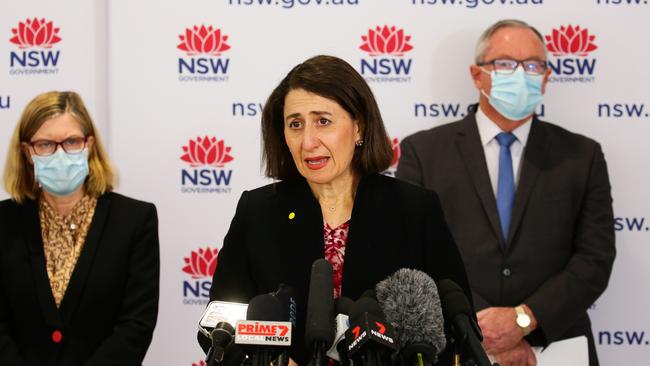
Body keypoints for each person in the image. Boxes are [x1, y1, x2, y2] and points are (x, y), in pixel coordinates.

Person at [204, 55, 472, 365]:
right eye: (295, 124)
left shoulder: (415, 209)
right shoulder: (258, 210)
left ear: (359, 126)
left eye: (323, 121)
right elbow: (220, 326)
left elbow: (457, 329)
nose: (308, 141)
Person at [396, 19, 615, 366]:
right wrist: (486, 329)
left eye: (533, 65)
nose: (521, 75)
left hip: (557, 346)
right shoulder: (424, 152)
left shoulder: (582, 156)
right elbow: (411, 253)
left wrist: (523, 320)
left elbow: (595, 258)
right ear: (476, 74)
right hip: (456, 344)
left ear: (545, 77)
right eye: (505, 64)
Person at [0, 91, 160, 365]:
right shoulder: (4, 222)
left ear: (89, 145)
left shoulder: (135, 219)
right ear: (27, 152)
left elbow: (135, 325)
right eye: (46, 144)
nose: (61, 154)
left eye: (72, 141)